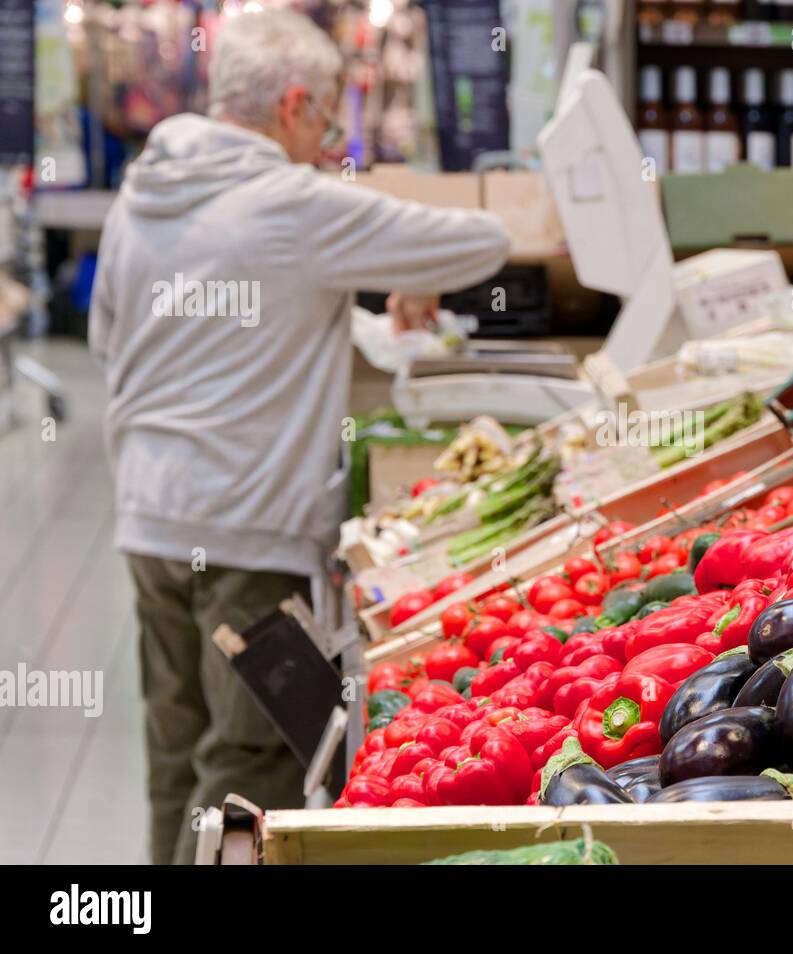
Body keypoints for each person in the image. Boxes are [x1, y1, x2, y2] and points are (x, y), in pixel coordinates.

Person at [89, 9, 509, 864]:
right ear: (290, 104)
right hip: (247, 532)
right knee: (247, 769)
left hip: (148, 521)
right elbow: (482, 242)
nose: (327, 140)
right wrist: (409, 271)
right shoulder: (294, 202)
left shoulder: (141, 194)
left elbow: (106, 338)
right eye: (325, 119)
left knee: (177, 755)